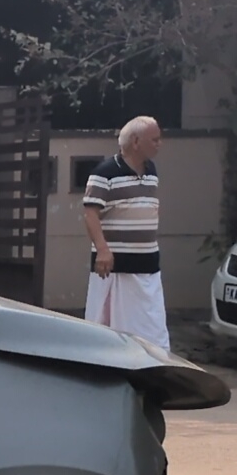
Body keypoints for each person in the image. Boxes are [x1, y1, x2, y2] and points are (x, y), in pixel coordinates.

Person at [83, 116, 169, 350]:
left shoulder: (152, 170)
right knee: (112, 326)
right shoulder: (105, 172)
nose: (159, 143)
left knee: (152, 326)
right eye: (155, 139)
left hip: (148, 264)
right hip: (116, 266)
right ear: (135, 142)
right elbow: (90, 213)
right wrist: (102, 249)